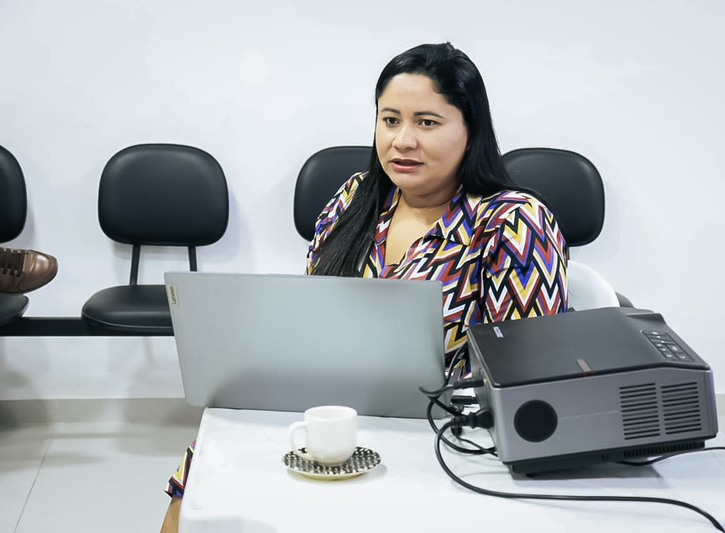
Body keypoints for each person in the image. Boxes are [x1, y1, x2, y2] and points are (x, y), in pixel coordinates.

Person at [160, 42, 568, 532]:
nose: (402, 141)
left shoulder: (514, 221)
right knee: (204, 478)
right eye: (390, 120)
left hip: (444, 439)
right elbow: (310, 323)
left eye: (427, 122)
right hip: (328, 416)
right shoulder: (355, 197)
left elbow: (526, 381)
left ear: (471, 129)